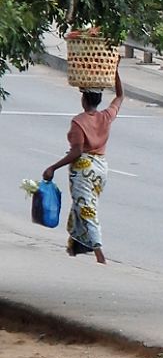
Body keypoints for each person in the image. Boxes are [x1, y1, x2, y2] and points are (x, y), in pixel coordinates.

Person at [42, 69, 124, 264]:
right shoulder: (105, 116)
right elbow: (120, 96)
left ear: (84, 100)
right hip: (101, 168)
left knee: (86, 208)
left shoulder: (79, 122)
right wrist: (115, 72)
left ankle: (99, 253)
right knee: (81, 205)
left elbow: (77, 151)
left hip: (84, 170)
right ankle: (74, 247)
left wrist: (53, 167)